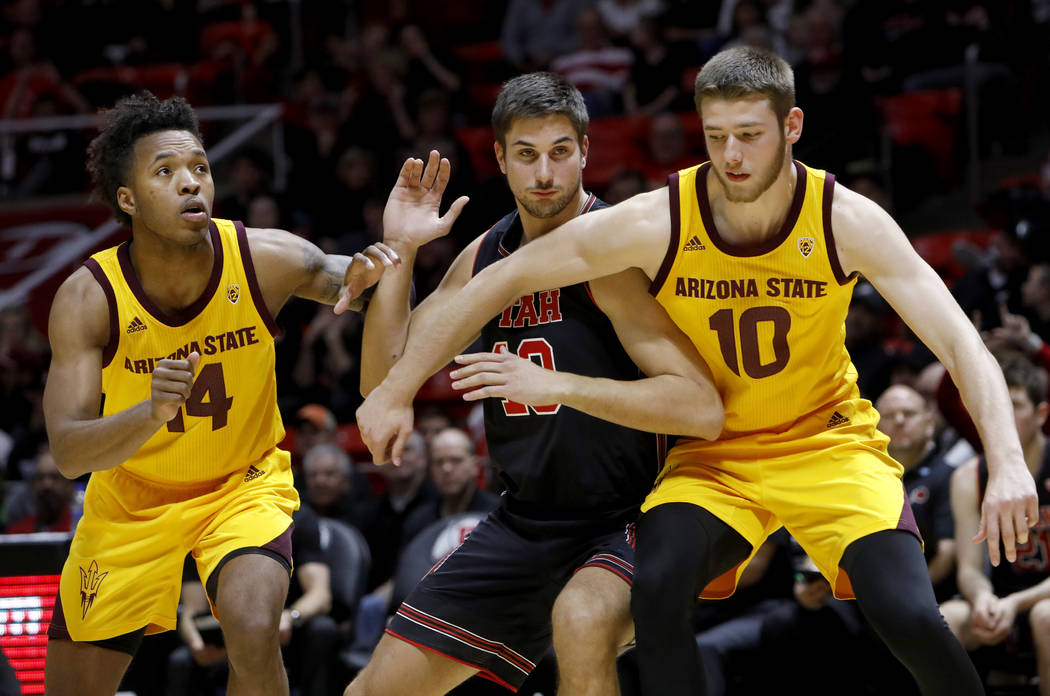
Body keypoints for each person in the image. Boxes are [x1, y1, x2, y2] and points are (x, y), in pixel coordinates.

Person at [356, 47, 1039, 696]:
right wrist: (395, 362)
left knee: (911, 617)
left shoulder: (842, 220)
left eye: (750, 134)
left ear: (791, 126)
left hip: (815, 445)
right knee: (654, 596)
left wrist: (1006, 460)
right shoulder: (650, 221)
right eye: (716, 137)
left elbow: (961, 344)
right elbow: (491, 286)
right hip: (699, 461)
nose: (732, 156)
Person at [347, 71, 722, 696]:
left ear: (585, 151)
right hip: (527, 521)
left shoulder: (614, 253)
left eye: (559, 152)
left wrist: (560, 386)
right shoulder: (486, 255)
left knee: (580, 621)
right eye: (526, 155)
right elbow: (381, 381)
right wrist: (402, 250)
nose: (544, 173)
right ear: (499, 158)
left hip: (639, 511)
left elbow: (701, 407)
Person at [40, 92, 398, 696]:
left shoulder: (268, 258)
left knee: (255, 628)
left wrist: (389, 267)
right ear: (126, 199)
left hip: (242, 485)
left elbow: (372, 289)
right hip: (131, 500)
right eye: (165, 172)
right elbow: (70, 454)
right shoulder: (88, 297)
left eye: (200, 168)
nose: (190, 184)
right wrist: (149, 413)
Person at [940, 351, 1050, 692]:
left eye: (1014, 405)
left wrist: (1016, 603)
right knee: (946, 618)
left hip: (1041, 603)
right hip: (1001, 602)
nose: (1003, 417)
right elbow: (969, 568)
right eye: (996, 405)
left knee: (1046, 616)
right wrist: (983, 596)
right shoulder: (968, 477)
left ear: (1041, 413)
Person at [875, 384, 957, 601]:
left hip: (932, 597)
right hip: (873, 594)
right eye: (889, 416)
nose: (899, 420)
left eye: (908, 413)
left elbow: (946, 554)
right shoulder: (867, 480)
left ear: (929, 423)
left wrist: (906, 597)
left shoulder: (947, 476)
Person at [400, 426, 500, 544]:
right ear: (430, 469)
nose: (446, 469)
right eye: (438, 462)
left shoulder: (498, 514)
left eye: (456, 460)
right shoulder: (419, 521)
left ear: (475, 466)